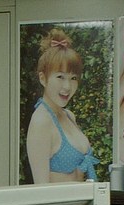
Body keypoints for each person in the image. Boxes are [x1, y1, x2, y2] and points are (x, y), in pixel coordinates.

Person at [26, 28, 99, 183]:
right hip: (61, 200)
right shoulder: (41, 121)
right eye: (60, 77)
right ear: (43, 78)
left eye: (73, 78)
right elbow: (41, 188)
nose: (67, 86)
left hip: (83, 198)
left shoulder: (69, 115)